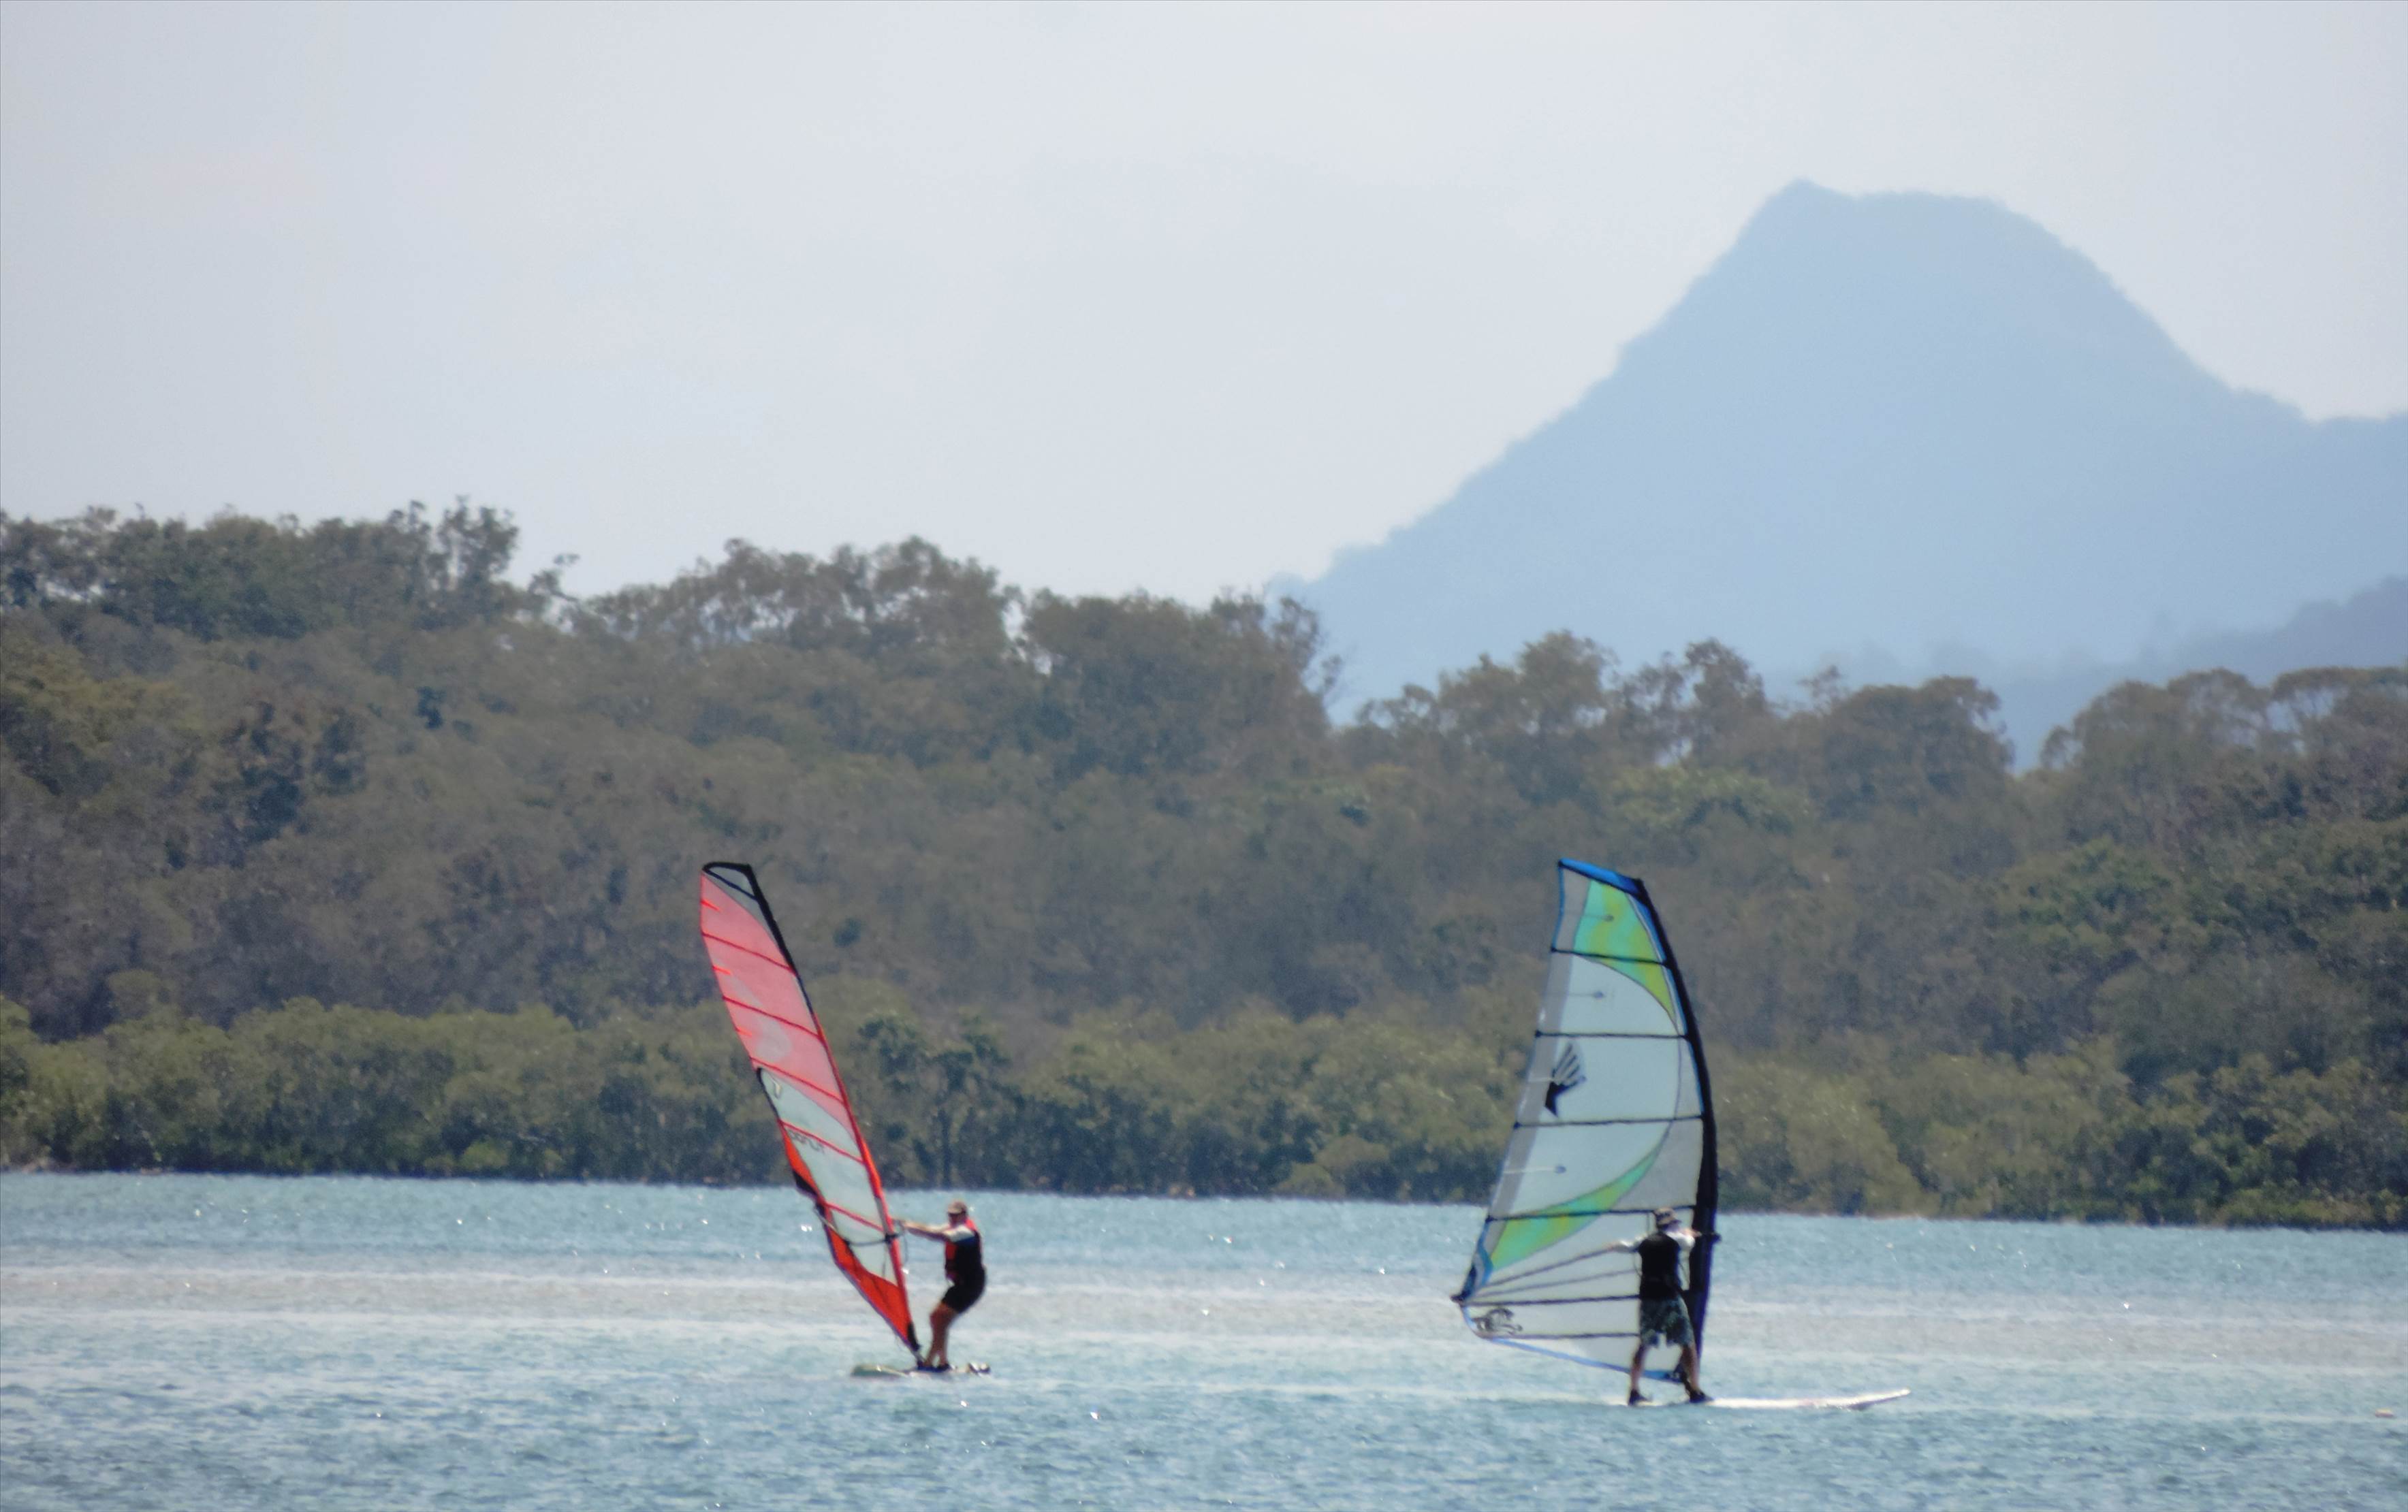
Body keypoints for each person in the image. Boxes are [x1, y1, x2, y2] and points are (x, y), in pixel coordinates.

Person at [1604, 1207, 1709, 1405]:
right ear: (1672, 1223)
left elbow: (1626, 1246)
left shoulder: (1644, 1240)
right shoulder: (1677, 1239)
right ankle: (1695, 1390)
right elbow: (1689, 1244)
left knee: (1644, 1345)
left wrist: (1613, 1245)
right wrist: (1687, 1233)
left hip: (1648, 1300)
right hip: (1669, 1299)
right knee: (1687, 1343)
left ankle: (1634, 1391)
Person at [900, 1198, 983, 1370]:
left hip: (971, 1285)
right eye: (950, 1215)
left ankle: (930, 1363)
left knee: (939, 1318)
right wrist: (904, 1224)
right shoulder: (952, 1227)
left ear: (964, 1216)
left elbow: (939, 1236)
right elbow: (929, 1229)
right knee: (937, 1318)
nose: (952, 1219)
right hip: (961, 1285)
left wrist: (910, 1228)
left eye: (956, 1215)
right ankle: (942, 1362)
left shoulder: (966, 1232)